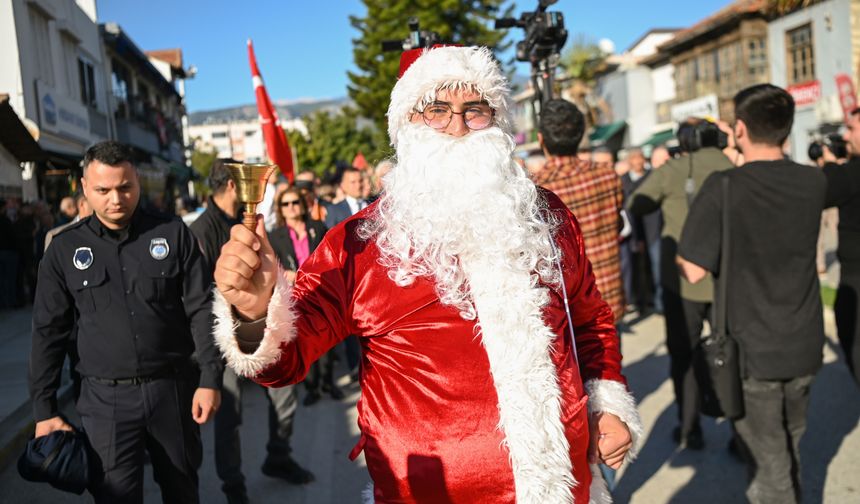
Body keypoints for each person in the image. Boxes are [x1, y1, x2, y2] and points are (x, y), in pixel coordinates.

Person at [211, 45, 642, 503]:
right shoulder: (358, 242)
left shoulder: (545, 216)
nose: (457, 127)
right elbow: (285, 360)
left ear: (496, 120)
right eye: (437, 109)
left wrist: (605, 405)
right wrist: (256, 311)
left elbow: (590, 320)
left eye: (475, 109)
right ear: (407, 123)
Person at [30, 141, 222, 503]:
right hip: (105, 401)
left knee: (183, 491)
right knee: (115, 497)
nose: (115, 199)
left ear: (137, 182)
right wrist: (45, 410)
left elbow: (202, 308)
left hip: (173, 390)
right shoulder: (63, 250)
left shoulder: (173, 233)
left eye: (125, 187)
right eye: (103, 190)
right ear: (84, 188)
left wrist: (210, 379)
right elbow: (47, 333)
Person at [678, 84, 826, 504]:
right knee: (789, 444)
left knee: (769, 469)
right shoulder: (813, 182)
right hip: (804, 340)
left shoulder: (724, 186)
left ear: (738, 129)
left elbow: (692, 270)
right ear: (787, 129)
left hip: (751, 348)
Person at [189, 160, 314, 504]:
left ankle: (279, 455)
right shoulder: (200, 231)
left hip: (262, 328)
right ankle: (234, 486)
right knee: (230, 417)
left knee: (285, 396)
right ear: (233, 186)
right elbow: (198, 298)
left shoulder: (250, 221)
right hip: (221, 338)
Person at [627, 117, 735, 450]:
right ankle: (740, 435)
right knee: (733, 355)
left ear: (686, 142)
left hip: (683, 282)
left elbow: (637, 203)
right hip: (728, 281)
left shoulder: (675, 170)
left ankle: (690, 430)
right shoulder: (731, 165)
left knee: (683, 355)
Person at [532, 99, 625, 324]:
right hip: (608, 294)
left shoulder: (536, 189)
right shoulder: (608, 176)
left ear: (541, 139)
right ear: (581, 134)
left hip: (567, 304)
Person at [268, 186, 340, 405]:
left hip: (320, 292)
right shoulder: (275, 235)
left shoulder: (317, 227)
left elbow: (330, 256)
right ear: (280, 209)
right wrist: (285, 274)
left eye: (295, 202)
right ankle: (312, 387)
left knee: (327, 340)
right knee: (304, 342)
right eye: (285, 204)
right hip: (294, 296)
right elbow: (271, 267)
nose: (291, 207)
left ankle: (328, 383)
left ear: (302, 204)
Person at [823, 107, 860, 385]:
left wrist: (831, 165)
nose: (847, 136)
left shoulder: (849, 173)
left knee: (852, 340)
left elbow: (817, 194)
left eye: (852, 129)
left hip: (854, 278)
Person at [621, 148, 663, 313]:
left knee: (655, 266)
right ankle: (638, 300)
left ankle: (657, 301)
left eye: (640, 158)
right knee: (634, 268)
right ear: (629, 161)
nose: (638, 162)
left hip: (652, 228)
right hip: (632, 231)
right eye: (634, 158)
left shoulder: (651, 176)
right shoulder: (623, 180)